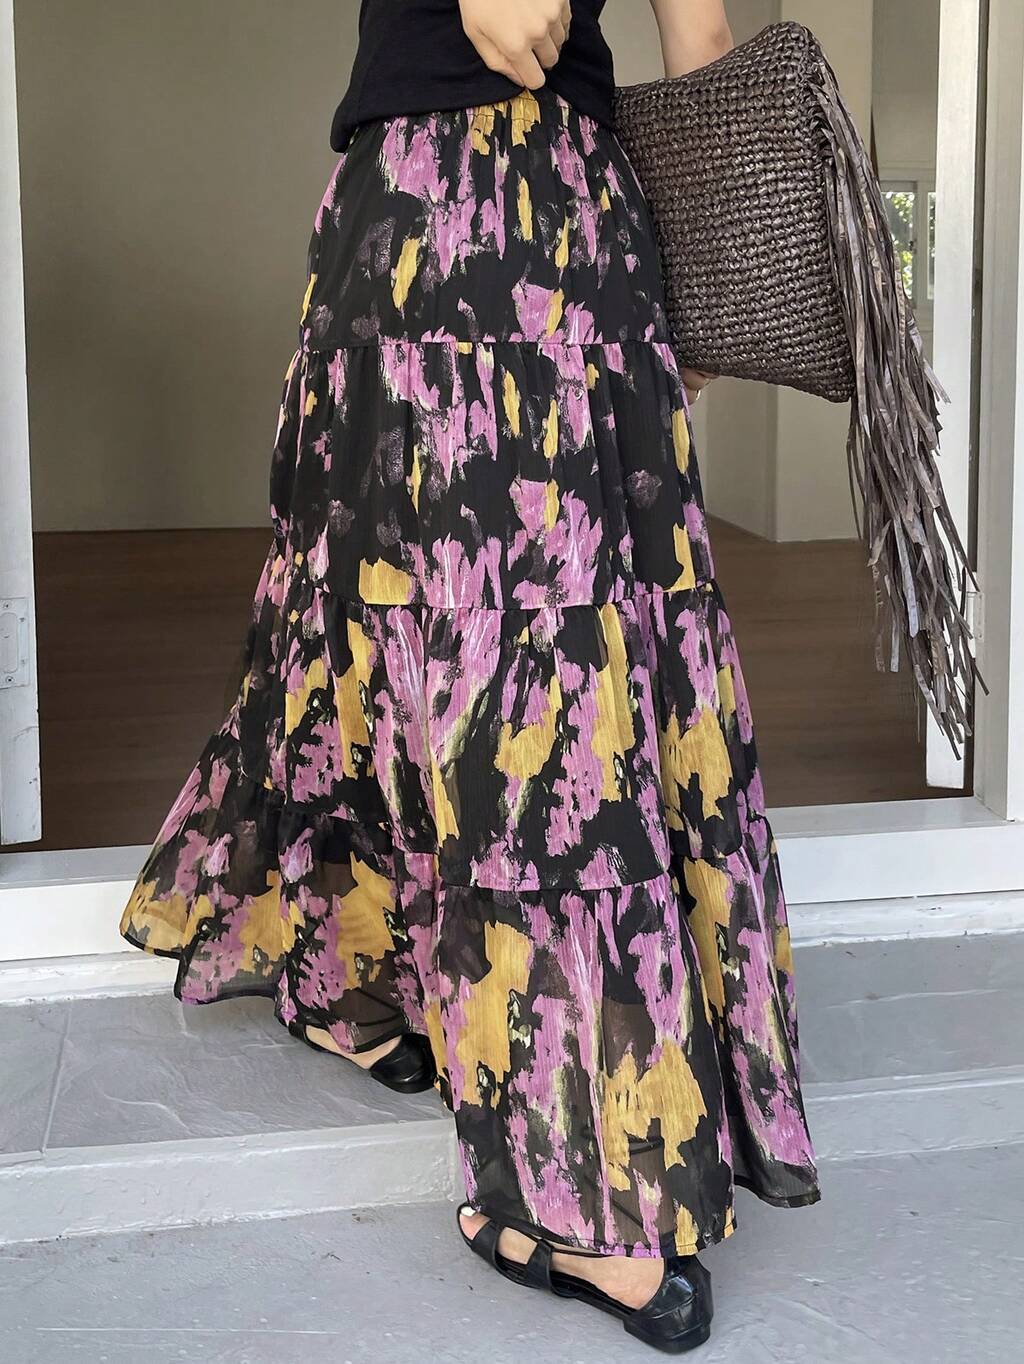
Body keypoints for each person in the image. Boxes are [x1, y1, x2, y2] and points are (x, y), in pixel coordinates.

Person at [120, 0, 820, 1351]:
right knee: (392, 619)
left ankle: (582, 1162)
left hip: (540, 217)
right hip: (432, 220)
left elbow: (700, 34)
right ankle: (369, 965)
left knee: (536, 682)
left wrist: (698, 275)